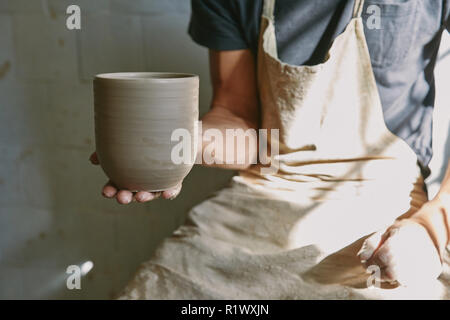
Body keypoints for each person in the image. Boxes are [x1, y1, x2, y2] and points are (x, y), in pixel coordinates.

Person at [90, 0, 450, 298]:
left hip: (383, 206)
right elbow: (235, 113)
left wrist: (434, 223)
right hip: (264, 192)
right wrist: (182, 144)